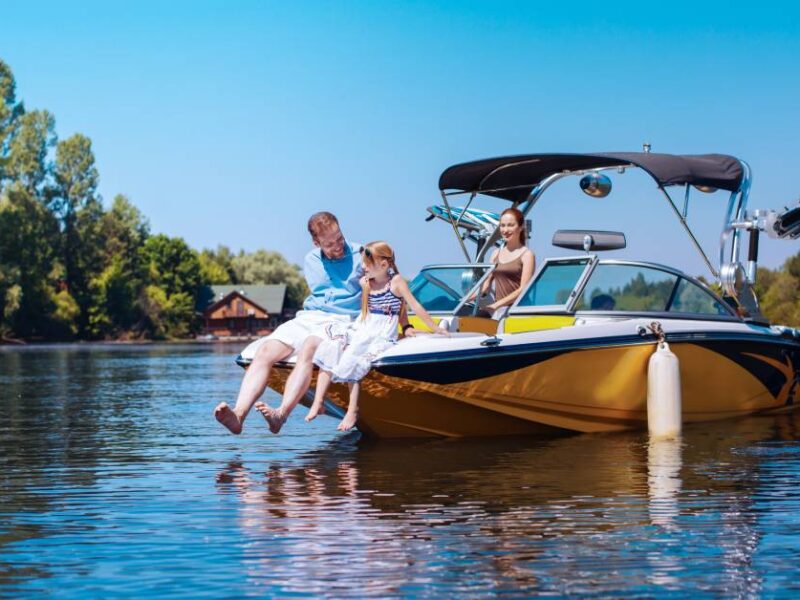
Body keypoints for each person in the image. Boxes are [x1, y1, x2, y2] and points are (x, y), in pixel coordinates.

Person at [257, 240, 449, 433]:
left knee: (353, 356)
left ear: (383, 265)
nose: (363, 267)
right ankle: (319, 401)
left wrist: (431, 328)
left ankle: (352, 409)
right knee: (330, 345)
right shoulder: (366, 283)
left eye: (367, 264)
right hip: (363, 326)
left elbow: (410, 305)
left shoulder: (396, 282)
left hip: (381, 332)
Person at [213, 212, 362, 434]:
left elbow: (390, 281)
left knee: (308, 350)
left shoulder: (362, 254)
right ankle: (239, 414)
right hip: (309, 316)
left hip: (341, 319)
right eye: (329, 244)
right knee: (265, 351)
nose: (338, 246)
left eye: (339, 238)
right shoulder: (311, 259)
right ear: (316, 242)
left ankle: (280, 414)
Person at [476, 207, 536, 319]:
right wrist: (467, 299)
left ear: (521, 227)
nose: (505, 230)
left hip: (518, 311)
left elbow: (523, 289)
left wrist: (495, 306)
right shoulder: (495, 254)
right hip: (499, 310)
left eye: (510, 225)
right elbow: (486, 284)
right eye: (502, 225)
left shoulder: (527, 255)